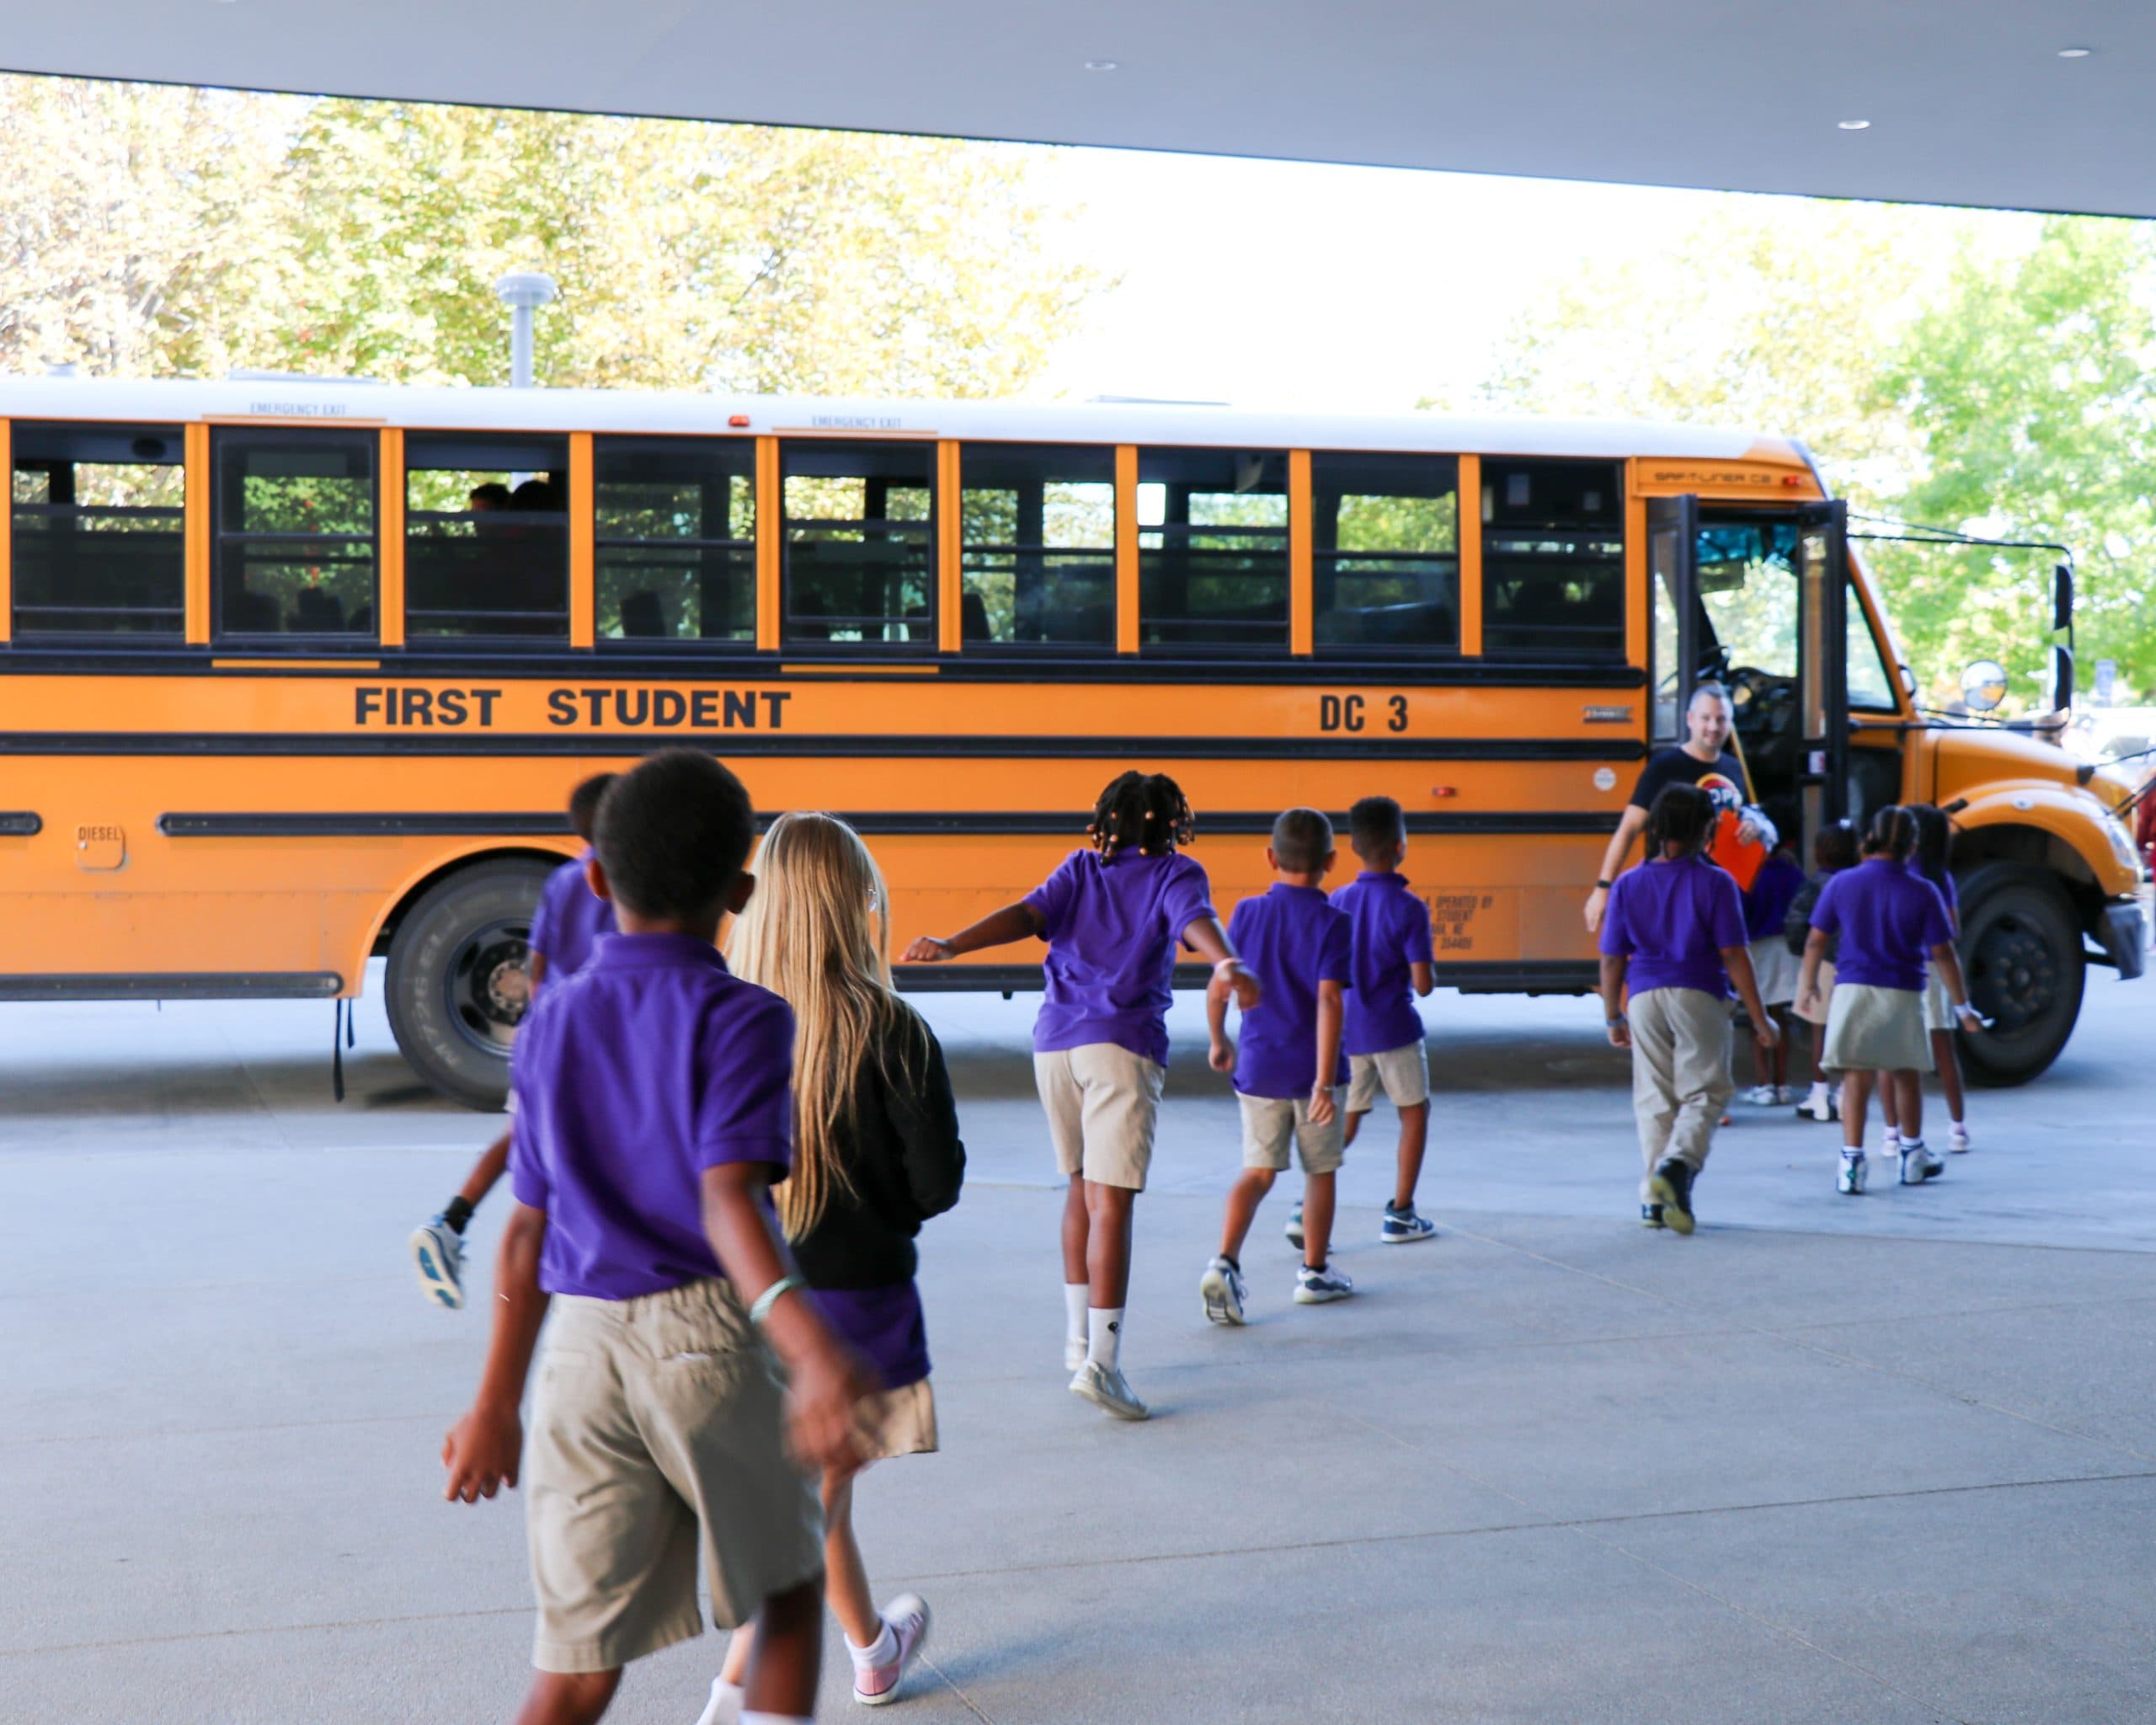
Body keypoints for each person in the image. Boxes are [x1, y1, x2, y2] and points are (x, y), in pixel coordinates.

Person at [440, 749, 867, 1725]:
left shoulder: (547, 1023)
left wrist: (494, 1405)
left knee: (579, 1663)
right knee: (790, 1598)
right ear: (741, 889)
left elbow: (524, 1233)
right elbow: (729, 1201)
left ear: (594, 875)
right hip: (706, 1337)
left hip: (579, 1356)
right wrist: (813, 1350)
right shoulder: (747, 1016)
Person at [901, 770, 1258, 1423]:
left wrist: (954, 943)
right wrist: (1225, 962)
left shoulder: (1078, 868)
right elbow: (1197, 922)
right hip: (1119, 1047)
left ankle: (1076, 1342)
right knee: (1111, 1205)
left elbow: (1024, 913)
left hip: (1055, 1046)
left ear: (1106, 822)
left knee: (1078, 1190)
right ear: (1172, 822)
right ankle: (1105, 1364)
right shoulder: (1175, 873)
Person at [708, 812, 963, 1721]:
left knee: (816, 1504)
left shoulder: (724, 1020)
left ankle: (872, 1652)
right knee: (804, 1520)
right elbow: (936, 1186)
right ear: (859, 903)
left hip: (736, 1306)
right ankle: (726, 1703)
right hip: (854, 1308)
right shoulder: (892, 1029)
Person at [408, 772, 617, 1308]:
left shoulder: (564, 881)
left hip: (547, 1038)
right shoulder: (616, 883)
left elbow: (537, 965)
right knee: (544, 1177)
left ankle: (451, 1221)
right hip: (595, 1046)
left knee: (525, 1138)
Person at [1598, 784, 1778, 1234]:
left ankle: (1653, 1202)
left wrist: (1611, 1015)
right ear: (1709, 829)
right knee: (1706, 1092)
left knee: (1654, 1098)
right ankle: (1677, 1167)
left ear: (1655, 828)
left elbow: (1611, 958)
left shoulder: (1627, 884)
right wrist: (1760, 1018)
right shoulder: (1716, 882)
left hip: (1642, 997)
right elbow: (1735, 955)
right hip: (1698, 993)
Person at [1199, 809, 1355, 1322]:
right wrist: (1324, 1082)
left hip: (1261, 1068)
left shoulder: (1245, 913)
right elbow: (1330, 1002)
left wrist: (1219, 1038)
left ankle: (1224, 1262)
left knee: (1259, 1172)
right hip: (1313, 1073)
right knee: (1320, 1172)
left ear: (1270, 857)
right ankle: (1314, 1271)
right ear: (1331, 861)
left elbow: (1221, 981)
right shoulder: (1334, 922)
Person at [1797, 805, 1983, 1195]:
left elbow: (1815, 938)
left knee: (1856, 1076)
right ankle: (1912, 1156)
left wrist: (1808, 984)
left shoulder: (1842, 883)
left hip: (1852, 990)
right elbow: (1944, 953)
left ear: (1870, 837)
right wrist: (1962, 1006)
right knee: (1906, 1074)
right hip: (1902, 991)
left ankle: (1851, 1163)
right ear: (1912, 845)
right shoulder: (1923, 890)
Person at [1326, 794, 1438, 1245]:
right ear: (1400, 846)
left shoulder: (1337, 899)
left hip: (1348, 1033)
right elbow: (1425, 984)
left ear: (1353, 847)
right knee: (1414, 1113)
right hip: (1395, 1031)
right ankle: (1401, 1213)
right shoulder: (1409, 908)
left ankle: (1305, 1204)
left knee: (1347, 1120)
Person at [1584, 682, 1776, 936]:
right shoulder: (1665, 766)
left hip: (1723, 892)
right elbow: (1629, 828)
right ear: (1690, 719)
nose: (1713, 727)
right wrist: (1603, 887)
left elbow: (1746, 818)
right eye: (1706, 718)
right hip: (1673, 892)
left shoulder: (1734, 767)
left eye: (1721, 720)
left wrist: (1752, 828)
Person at [1881, 803, 1973, 1155]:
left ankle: (1891, 1133)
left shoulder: (1896, 872)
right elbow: (1952, 931)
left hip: (1898, 967)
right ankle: (1958, 1129)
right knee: (1943, 1049)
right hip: (1933, 970)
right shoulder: (1939, 877)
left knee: (1889, 1056)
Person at [1785, 820, 1859, 1123]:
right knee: (1852, 1034)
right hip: (1854, 966)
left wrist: (1800, 953)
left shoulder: (1816, 885)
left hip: (1823, 963)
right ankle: (1845, 1094)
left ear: (1819, 853)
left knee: (1820, 1031)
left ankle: (1819, 1094)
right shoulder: (1859, 881)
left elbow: (1797, 923)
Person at [1740, 837, 1806, 1104]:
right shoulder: (1794, 873)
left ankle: (1764, 1084)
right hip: (1789, 950)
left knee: (1758, 1017)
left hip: (1759, 950)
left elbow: (1742, 913)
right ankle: (1782, 1083)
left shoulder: (1750, 873)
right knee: (1780, 1016)